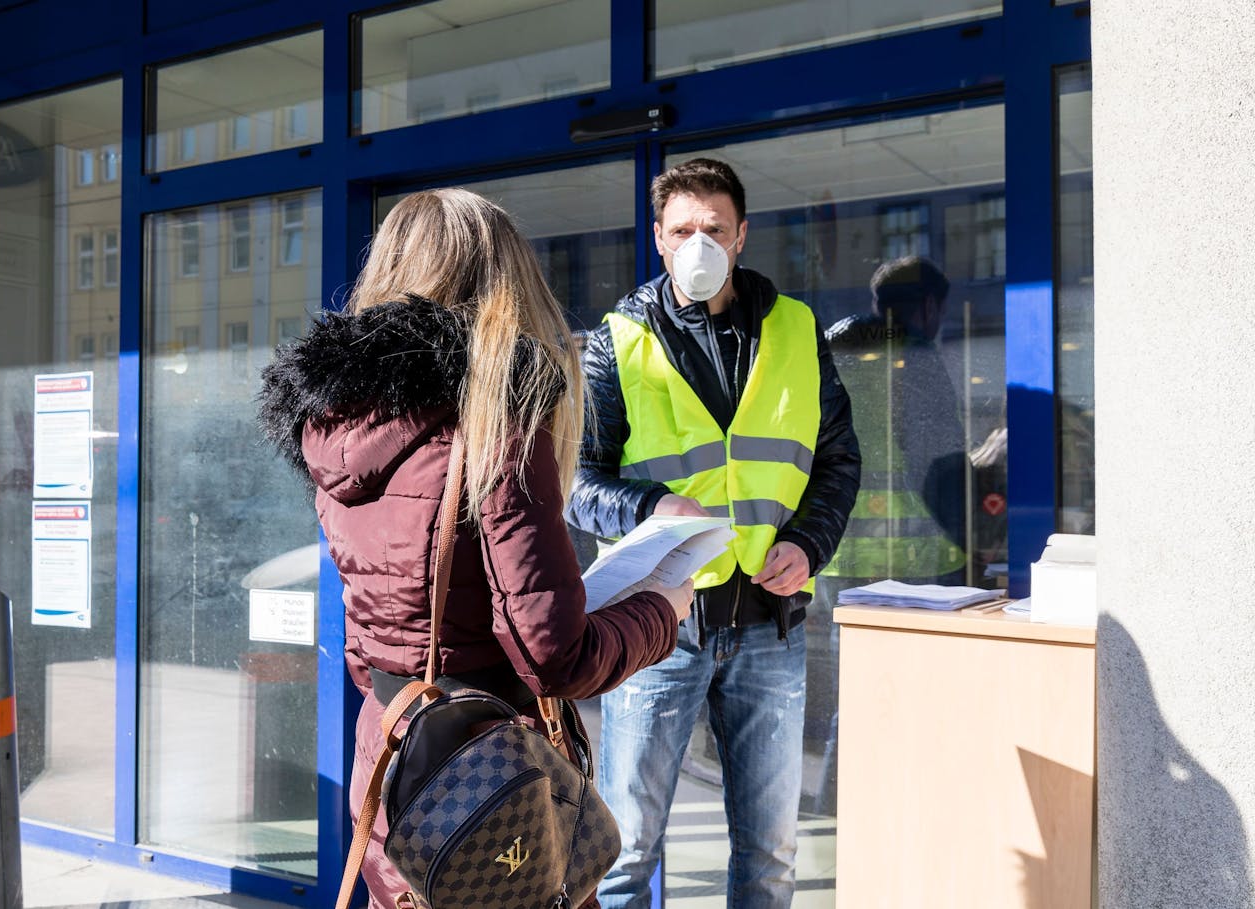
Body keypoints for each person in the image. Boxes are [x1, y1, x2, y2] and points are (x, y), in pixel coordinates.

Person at [256, 187, 695, 909]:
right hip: (489, 778)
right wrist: (661, 609)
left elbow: (378, 617)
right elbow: (556, 654)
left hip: (393, 758)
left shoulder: (335, 422)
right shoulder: (494, 417)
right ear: (506, 286)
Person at [565, 158, 860, 909]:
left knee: (769, 857)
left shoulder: (796, 329)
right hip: (655, 626)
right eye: (683, 230)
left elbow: (837, 462)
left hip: (771, 623)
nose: (700, 243)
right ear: (658, 240)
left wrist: (809, 544)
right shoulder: (617, 342)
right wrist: (651, 508)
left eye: (715, 230)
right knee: (623, 853)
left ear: (742, 235)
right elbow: (577, 483)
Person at [823, 256, 968, 591]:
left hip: (836, 548)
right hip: (910, 553)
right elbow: (941, 460)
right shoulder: (919, 359)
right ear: (931, 305)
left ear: (878, 302)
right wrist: (969, 535)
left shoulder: (831, 354)